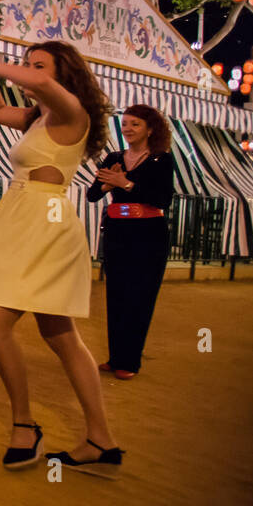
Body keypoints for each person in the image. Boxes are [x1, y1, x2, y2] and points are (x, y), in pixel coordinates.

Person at [0, 40, 122, 478]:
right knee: (62, 336)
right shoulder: (39, 116)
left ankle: (24, 426)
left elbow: (43, 84)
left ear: (63, 73)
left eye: (38, 65)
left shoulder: (72, 111)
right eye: (27, 64)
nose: (30, 71)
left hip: (44, 223)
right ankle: (101, 441)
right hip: (23, 218)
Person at [87, 104, 174, 380]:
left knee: (140, 297)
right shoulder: (113, 157)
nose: (128, 129)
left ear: (150, 129)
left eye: (135, 124)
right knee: (116, 295)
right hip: (118, 233)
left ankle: (130, 361)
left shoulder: (161, 159)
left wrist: (126, 184)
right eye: (125, 123)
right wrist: (109, 184)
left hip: (149, 235)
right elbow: (92, 194)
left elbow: (163, 199)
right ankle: (115, 358)